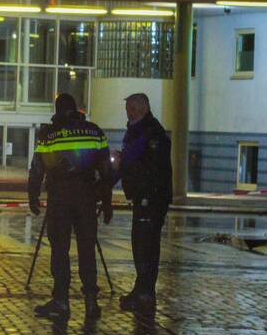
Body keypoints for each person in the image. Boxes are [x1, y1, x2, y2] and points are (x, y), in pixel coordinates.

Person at [28, 93, 113, 321]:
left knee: (60, 249)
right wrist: (106, 202)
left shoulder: (50, 135)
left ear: (57, 110)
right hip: (87, 197)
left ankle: (61, 301)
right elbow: (106, 171)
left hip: (60, 199)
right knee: (87, 249)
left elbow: (37, 168)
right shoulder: (95, 131)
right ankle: (91, 301)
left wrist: (33, 196)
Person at [117, 93, 172, 313]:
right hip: (144, 196)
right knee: (141, 244)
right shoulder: (139, 131)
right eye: (127, 109)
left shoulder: (150, 134)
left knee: (145, 245)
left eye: (132, 108)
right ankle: (142, 289)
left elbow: (150, 167)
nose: (128, 113)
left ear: (143, 109)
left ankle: (145, 292)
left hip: (151, 198)